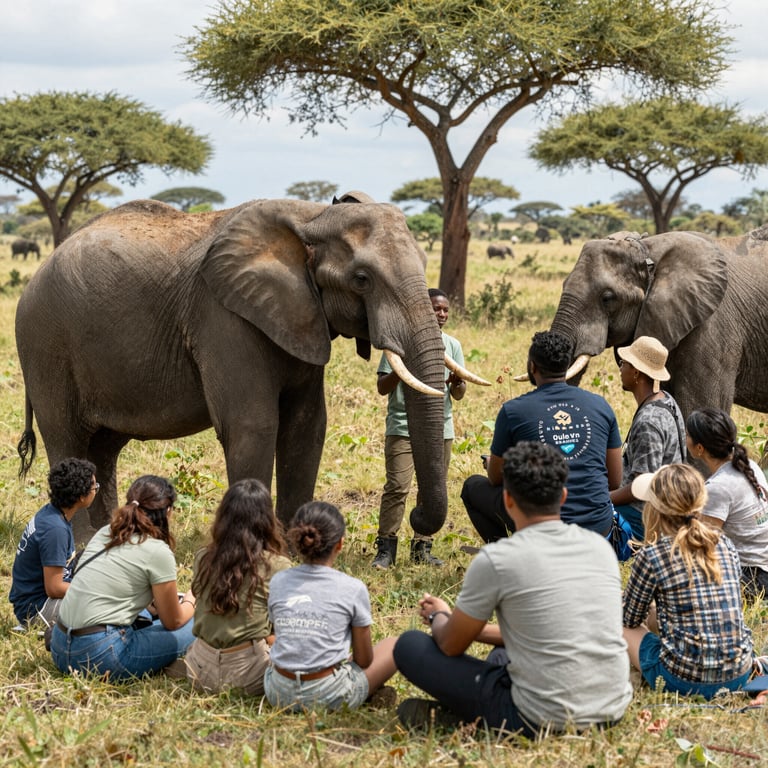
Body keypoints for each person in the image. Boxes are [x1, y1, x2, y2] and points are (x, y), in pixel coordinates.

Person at [393, 441, 632, 734]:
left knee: (409, 646)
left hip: (539, 717)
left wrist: (439, 616)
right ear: (564, 496)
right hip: (611, 709)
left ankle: (466, 723)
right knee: (499, 657)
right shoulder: (600, 548)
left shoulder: (497, 559)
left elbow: (451, 644)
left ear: (507, 500)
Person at [462, 330, 622, 543]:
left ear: (532, 367)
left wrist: (494, 464)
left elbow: (495, 478)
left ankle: (508, 554)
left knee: (472, 486)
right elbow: (615, 480)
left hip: (543, 525)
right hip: (598, 526)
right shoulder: (601, 405)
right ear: (567, 366)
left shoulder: (513, 411)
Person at [623, 464, 755, 698]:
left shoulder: (652, 555)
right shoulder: (724, 545)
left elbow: (629, 618)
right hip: (739, 674)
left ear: (654, 508)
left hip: (681, 680)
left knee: (621, 626)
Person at [50, 475, 195, 680]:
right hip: (101, 656)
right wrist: (192, 599)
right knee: (197, 623)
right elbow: (174, 621)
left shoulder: (105, 532)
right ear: (168, 511)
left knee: (148, 618)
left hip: (60, 646)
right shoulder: (158, 551)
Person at [264, 501, 397, 711]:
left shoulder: (279, 581)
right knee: (393, 644)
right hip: (326, 694)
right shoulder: (353, 588)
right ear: (340, 544)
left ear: (297, 541)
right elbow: (364, 660)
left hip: (278, 692)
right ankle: (364, 695)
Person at [371, 288, 466, 569]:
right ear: (424, 310)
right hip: (402, 426)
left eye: (446, 310)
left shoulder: (452, 346)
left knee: (431, 487)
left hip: (440, 429)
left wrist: (456, 383)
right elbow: (381, 387)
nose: (442, 315)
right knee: (397, 487)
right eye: (436, 309)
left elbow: (459, 393)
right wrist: (402, 370)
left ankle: (422, 546)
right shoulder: (398, 342)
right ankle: (386, 547)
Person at [185, 479, 292, 694]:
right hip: (249, 674)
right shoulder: (278, 566)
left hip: (198, 670)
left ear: (223, 517)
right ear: (268, 520)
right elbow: (285, 629)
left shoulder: (203, 557)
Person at [686, 407, 768, 601]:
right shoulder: (749, 464)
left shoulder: (718, 488)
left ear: (699, 448)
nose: (685, 438)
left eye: (688, 435)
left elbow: (702, 546)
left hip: (752, 578)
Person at [610, 336, 686, 541]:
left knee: (586, 520)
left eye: (623, 364)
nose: (620, 369)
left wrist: (603, 500)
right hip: (666, 508)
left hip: (646, 517)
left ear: (636, 372)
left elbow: (642, 487)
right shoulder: (666, 400)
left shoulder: (649, 422)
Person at [9, 458, 98, 629]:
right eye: (95, 488)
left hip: (36, 598)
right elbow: (54, 588)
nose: (96, 491)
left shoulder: (52, 513)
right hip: (37, 610)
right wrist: (91, 592)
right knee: (107, 607)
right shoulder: (54, 530)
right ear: (81, 496)